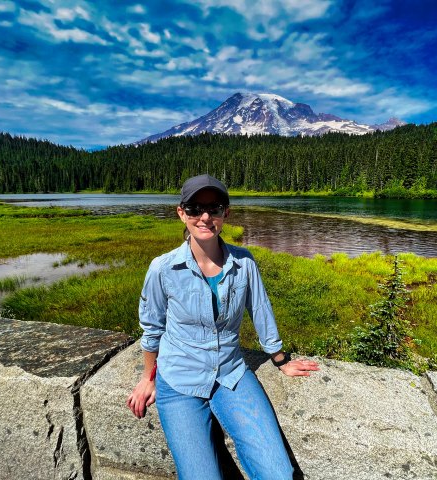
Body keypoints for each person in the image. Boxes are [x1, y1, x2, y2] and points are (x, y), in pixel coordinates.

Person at [126, 174, 319, 479]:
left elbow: (261, 312)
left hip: (232, 375)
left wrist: (280, 360)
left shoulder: (245, 263)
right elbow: (152, 329)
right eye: (194, 208)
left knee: (279, 473)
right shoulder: (162, 268)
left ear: (225, 214)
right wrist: (148, 377)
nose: (204, 217)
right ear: (181, 212)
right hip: (178, 383)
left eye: (214, 208)